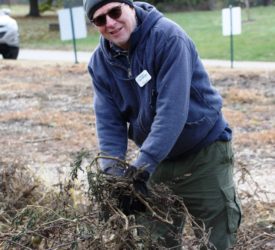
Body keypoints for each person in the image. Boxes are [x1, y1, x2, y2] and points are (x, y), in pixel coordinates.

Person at [83, 0, 242, 248]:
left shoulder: (168, 38)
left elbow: (172, 112)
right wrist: (115, 179)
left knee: (216, 241)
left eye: (115, 12)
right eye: (100, 19)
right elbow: (109, 124)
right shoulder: (100, 63)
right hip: (157, 163)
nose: (110, 23)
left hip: (203, 154)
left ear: (130, 7)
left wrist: (140, 168)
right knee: (155, 242)